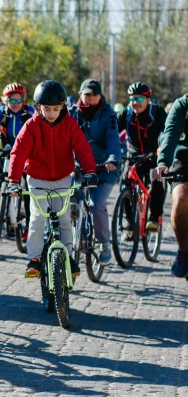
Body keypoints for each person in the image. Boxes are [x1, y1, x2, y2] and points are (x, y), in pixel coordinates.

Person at [7, 80, 97, 278]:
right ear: (38, 107)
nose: (51, 114)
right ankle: (34, 259)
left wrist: (90, 171)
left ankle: (68, 256)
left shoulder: (70, 125)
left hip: (62, 179)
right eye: (46, 109)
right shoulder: (31, 126)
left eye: (55, 109)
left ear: (63, 107)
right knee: (37, 220)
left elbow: (82, 147)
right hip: (37, 180)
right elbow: (18, 153)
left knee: (64, 220)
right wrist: (13, 181)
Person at [68, 79, 120, 267]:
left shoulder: (108, 115)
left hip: (103, 168)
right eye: (87, 95)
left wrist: (113, 159)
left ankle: (104, 244)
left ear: (100, 96)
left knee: (96, 204)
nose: (90, 99)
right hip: (78, 166)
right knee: (69, 200)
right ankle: (73, 239)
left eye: (94, 95)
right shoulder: (71, 113)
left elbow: (114, 139)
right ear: (81, 95)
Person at [117, 82, 167, 233]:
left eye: (139, 99)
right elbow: (112, 132)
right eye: (132, 99)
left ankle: (154, 219)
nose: (135, 103)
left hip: (153, 155)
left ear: (148, 99)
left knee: (156, 181)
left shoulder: (158, 113)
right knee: (125, 185)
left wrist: (162, 148)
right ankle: (129, 225)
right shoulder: (126, 114)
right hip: (134, 156)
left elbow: (167, 133)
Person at [153, 94, 188, 277]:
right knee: (181, 198)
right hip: (183, 159)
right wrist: (163, 162)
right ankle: (183, 251)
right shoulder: (183, 104)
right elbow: (171, 131)